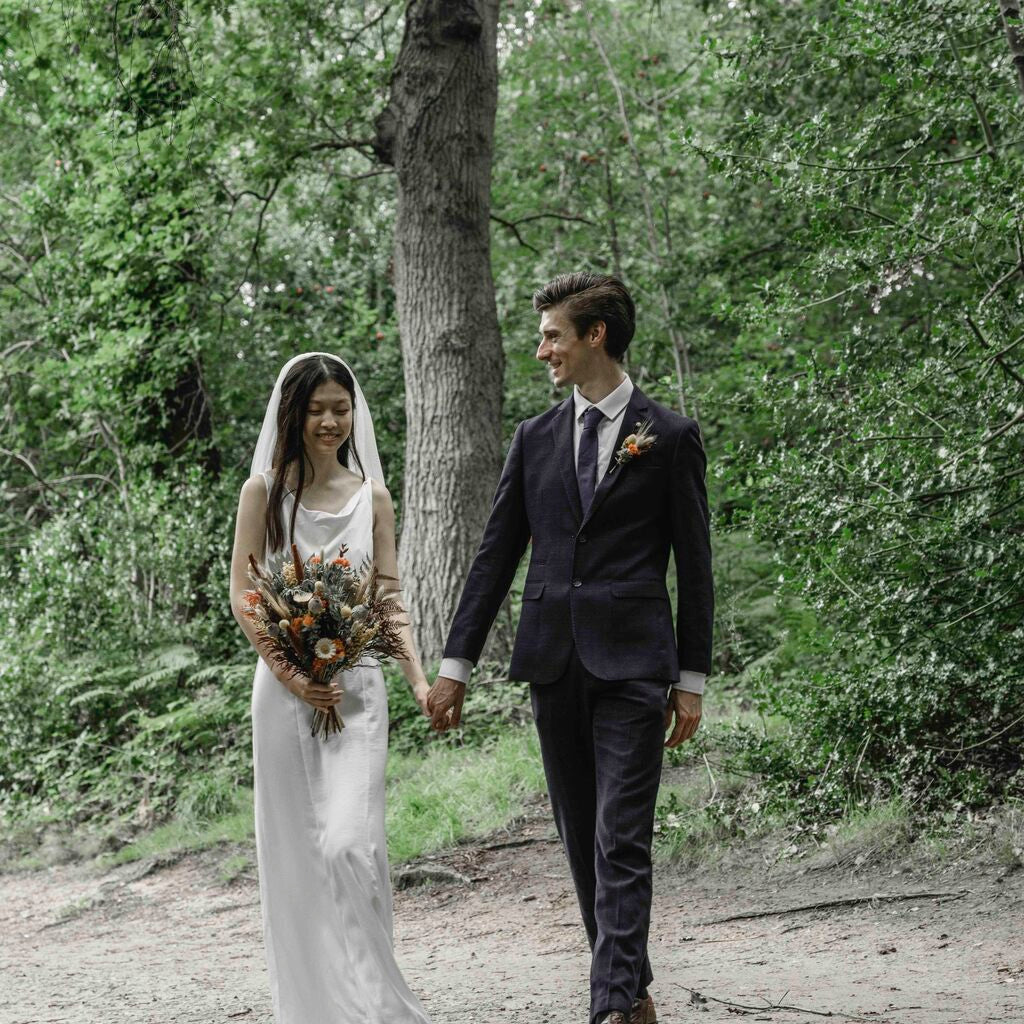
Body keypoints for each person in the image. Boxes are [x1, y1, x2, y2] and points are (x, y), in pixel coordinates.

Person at [427, 273, 714, 1024]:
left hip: (636, 665)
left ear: (595, 336)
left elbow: (697, 565)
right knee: (583, 840)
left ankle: (609, 1006)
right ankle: (635, 991)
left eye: (552, 334)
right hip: (552, 663)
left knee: (622, 836)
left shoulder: (671, 436)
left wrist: (692, 677)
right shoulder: (535, 438)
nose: (540, 350)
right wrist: (454, 665)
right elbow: (494, 557)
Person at [229, 352, 432, 1024]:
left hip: (357, 691)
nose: (329, 420)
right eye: (316, 408)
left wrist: (420, 682)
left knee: (351, 845)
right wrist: (289, 673)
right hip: (283, 697)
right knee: (295, 857)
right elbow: (244, 595)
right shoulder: (263, 492)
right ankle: (317, 1010)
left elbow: (389, 601)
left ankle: (382, 1007)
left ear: (354, 412)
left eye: (339, 408)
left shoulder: (373, 496)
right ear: (293, 413)